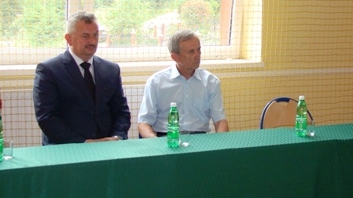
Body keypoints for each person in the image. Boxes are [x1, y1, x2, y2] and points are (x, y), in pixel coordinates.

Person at [33, 11, 131, 145]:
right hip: (66, 148)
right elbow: (46, 117)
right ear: (69, 39)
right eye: (85, 36)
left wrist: (117, 137)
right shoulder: (49, 71)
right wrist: (83, 142)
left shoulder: (111, 70)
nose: (92, 41)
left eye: (95, 35)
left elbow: (121, 112)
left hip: (108, 146)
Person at [138, 29, 228, 137]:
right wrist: (156, 142)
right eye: (191, 52)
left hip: (200, 138)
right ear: (175, 57)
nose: (197, 55)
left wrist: (220, 143)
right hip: (166, 137)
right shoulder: (156, 82)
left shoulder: (211, 82)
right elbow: (144, 123)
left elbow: (220, 121)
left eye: (199, 50)